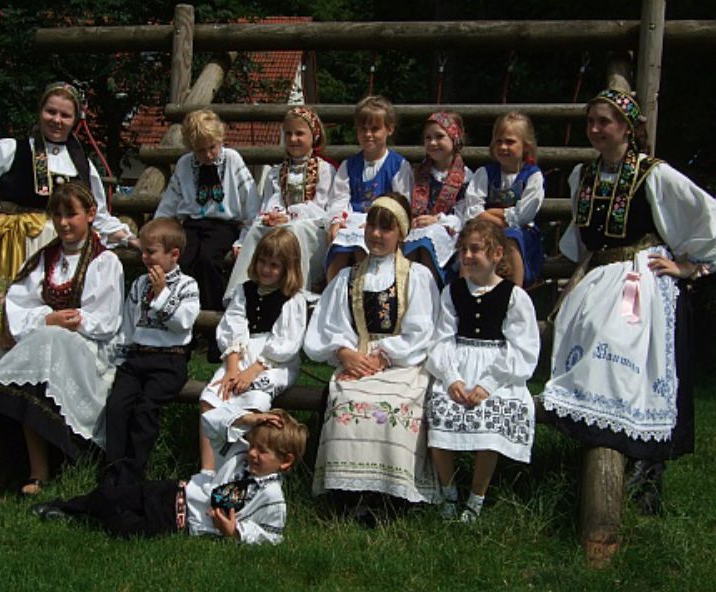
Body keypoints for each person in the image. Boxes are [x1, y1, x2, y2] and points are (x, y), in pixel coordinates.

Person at [540, 89, 716, 513]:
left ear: (629, 128)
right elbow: (579, 243)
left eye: (606, 121)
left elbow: (706, 216)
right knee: (586, 343)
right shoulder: (583, 175)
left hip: (641, 280)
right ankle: (599, 448)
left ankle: (644, 465)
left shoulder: (653, 174)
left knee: (620, 353)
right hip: (599, 279)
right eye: (592, 122)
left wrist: (692, 269)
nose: (596, 129)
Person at [0, 182, 124, 495]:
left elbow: (107, 321)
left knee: (48, 340)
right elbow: (18, 306)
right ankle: (37, 475)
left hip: (91, 353)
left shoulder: (105, 261)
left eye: (71, 214)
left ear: (91, 214)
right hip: (48, 351)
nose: (64, 222)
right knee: (38, 367)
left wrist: (67, 321)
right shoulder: (46, 258)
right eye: (57, 215)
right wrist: (48, 319)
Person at [0, 81, 135, 393]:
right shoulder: (14, 149)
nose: (57, 120)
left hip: (62, 251)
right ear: (40, 112)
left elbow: (96, 212)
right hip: (14, 245)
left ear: (75, 120)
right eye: (51, 112)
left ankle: (44, 392)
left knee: (54, 316)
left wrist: (128, 238)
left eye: (65, 115)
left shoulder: (80, 162)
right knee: (8, 312)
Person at [304, 193, 439, 511]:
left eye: (386, 229)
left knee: (395, 404)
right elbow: (330, 324)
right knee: (345, 399)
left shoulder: (417, 277)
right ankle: (347, 494)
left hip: (403, 361)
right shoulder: (348, 278)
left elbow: (422, 330)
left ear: (401, 234)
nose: (376, 234)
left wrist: (386, 354)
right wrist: (344, 352)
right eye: (371, 226)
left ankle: (391, 495)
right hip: (358, 360)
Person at [31, 408, 308, 545]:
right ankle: (67, 506)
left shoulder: (272, 497)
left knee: (124, 527)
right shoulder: (238, 454)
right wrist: (249, 420)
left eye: (264, 451)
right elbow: (210, 422)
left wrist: (236, 532)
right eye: (255, 446)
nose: (255, 454)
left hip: (181, 521)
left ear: (285, 462)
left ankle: (83, 519)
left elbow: (273, 535)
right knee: (113, 495)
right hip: (174, 492)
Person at [426, 219, 540, 522]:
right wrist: (451, 378)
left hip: (497, 369)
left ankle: (476, 498)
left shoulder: (514, 297)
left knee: (491, 418)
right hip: (459, 364)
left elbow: (523, 348)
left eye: (475, 249)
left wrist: (489, 384)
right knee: (439, 409)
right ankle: (449, 493)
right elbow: (441, 338)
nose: (467, 256)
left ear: (497, 254)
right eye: (463, 249)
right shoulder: (452, 292)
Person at [199, 228, 307, 473]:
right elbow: (233, 327)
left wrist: (252, 371)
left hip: (274, 362)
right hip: (240, 356)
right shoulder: (244, 291)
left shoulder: (292, 299)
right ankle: (208, 469)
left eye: (274, 265)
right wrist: (233, 368)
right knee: (211, 397)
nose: (266, 269)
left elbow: (285, 343)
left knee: (254, 399)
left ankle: (241, 467)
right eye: (262, 262)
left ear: (288, 268)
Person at [103, 217, 200, 487]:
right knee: (117, 405)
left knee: (146, 409)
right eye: (143, 251)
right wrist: (121, 357)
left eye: (151, 252)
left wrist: (162, 294)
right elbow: (128, 323)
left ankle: (134, 473)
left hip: (169, 360)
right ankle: (113, 470)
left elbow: (182, 322)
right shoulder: (139, 284)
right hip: (138, 357)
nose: (144, 257)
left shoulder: (187, 286)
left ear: (174, 254)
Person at [225, 106, 336, 302]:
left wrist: (290, 215)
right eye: (288, 134)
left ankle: (297, 295)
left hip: (312, 229)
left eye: (299, 133)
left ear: (315, 135)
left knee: (294, 229)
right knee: (259, 227)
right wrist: (272, 216)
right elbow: (269, 202)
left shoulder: (325, 169)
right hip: (283, 224)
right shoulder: (275, 172)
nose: (293, 139)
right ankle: (239, 295)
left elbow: (322, 208)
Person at [154, 109, 260, 313]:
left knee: (208, 260)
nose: (209, 154)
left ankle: (212, 316)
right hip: (192, 225)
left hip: (223, 225)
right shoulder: (185, 164)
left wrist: (244, 239)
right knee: (182, 258)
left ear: (221, 139)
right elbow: (170, 202)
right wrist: (157, 233)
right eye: (201, 151)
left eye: (212, 147)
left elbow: (251, 203)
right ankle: (182, 316)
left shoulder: (232, 159)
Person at [325, 96, 413, 282]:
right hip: (353, 220)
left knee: (361, 245)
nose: (368, 134)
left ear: (389, 129)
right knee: (338, 244)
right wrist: (336, 220)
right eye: (363, 129)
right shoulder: (349, 165)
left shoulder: (398, 165)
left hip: (381, 223)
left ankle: (365, 287)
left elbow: (401, 203)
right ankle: (331, 290)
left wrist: (376, 222)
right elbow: (339, 199)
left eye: (375, 129)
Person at [462, 111, 544, 287]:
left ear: (526, 146)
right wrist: (494, 217)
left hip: (522, 234)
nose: (503, 147)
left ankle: (515, 291)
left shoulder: (532, 176)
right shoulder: (485, 173)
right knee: (470, 239)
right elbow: (473, 208)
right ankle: (466, 290)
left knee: (511, 236)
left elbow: (523, 216)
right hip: (486, 229)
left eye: (510, 142)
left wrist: (489, 212)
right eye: (499, 141)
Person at [402, 111, 473, 288]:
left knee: (427, 240)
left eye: (440, 137)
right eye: (428, 138)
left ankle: (430, 293)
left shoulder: (466, 177)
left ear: (455, 139)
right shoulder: (417, 173)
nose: (433, 143)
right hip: (415, 227)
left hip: (448, 233)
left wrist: (437, 220)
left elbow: (463, 215)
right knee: (414, 241)